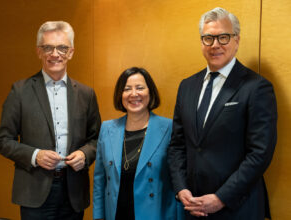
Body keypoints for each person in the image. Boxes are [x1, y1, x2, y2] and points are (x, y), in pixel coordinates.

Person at [167, 7, 277, 220]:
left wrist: (221, 198)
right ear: (201, 42)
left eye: (223, 37)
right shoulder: (187, 86)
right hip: (194, 207)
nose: (215, 44)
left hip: (238, 207)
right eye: (208, 38)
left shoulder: (257, 87)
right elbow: (177, 145)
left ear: (236, 40)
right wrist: (181, 189)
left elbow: (259, 154)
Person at [0, 21, 101, 220]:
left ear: (71, 52)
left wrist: (84, 154)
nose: (55, 54)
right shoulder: (19, 91)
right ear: (39, 51)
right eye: (48, 48)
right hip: (33, 191)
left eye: (62, 48)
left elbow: (96, 139)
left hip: (74, 192)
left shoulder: (87, 94)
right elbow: (3, 141)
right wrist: (35, 155)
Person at [93, 67, 184, 220]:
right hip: (115, 213)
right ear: (120, 95)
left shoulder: (168, 128)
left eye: (140, 88)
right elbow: (99, 181)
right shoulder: (107, 129)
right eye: (127, 89)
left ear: (150, 92)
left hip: (156, 214)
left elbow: (179, 179)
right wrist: (98, 217)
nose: (134, 94)